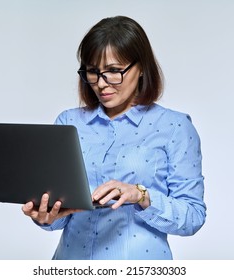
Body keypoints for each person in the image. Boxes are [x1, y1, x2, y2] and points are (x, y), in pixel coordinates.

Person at [22, 15, 206, 260]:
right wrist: (46, 217)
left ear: (141, 68)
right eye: (92, 72)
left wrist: (141, 195)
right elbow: (59, 220)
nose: (101, 84)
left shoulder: (174, 127)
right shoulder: (69, 123)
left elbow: (193, 216)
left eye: (114, 71)